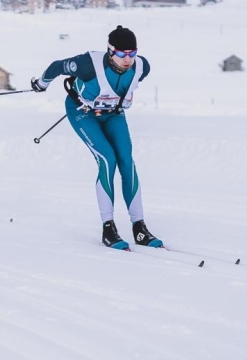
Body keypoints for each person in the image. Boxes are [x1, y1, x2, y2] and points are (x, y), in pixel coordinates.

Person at [30, 26, 162, 250]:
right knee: (107, 159)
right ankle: (108, 228)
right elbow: (56, 66)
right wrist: (41, 84)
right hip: (82, 113)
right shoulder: (88, 63)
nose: (128, 59)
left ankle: (139, 227)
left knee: (127, 162)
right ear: (110, 51)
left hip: (113, 115)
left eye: (132, 53)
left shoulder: (142, 66)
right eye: (121, 54)